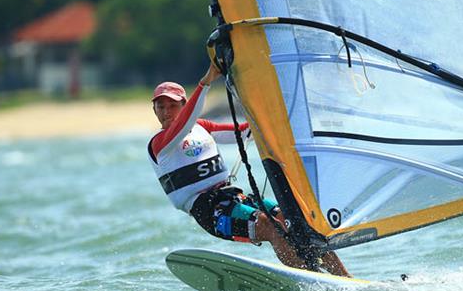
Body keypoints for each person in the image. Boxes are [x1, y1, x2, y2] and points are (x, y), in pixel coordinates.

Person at [148, 61, 350, 277]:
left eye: (173, 106)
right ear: (154, 110)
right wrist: (205, 82)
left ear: (183, 105)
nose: (167, 112)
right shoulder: (160, 144)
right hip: (209, 210)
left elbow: (245, 132)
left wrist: (277, 108)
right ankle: (310, 282)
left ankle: (344, 278)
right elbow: (183, 124)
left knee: (295, 218)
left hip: (233, 197)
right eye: (161, 107)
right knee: (270, 227)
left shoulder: (202, 128)